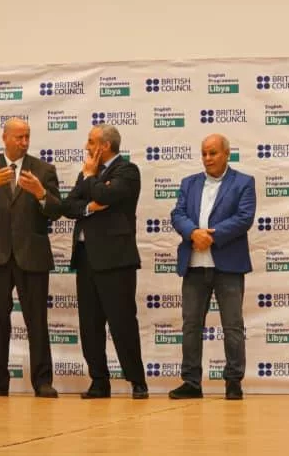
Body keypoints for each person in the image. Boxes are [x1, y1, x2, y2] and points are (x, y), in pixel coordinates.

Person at [0, 118, 64, 398]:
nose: (24, 142)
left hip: (31, 254)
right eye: (19, 137)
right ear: (5, 138)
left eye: (27, 137)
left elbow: (57, 210)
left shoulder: (43, 170)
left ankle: (42, 381)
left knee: (37, 321)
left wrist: (41, 193)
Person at [62, 123, 148, 400]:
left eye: (91, 142)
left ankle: (137, 381)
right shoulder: (89, 172)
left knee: (122, 323)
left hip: (116, 260)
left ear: (105, 146)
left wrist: (91, 180)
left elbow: (106, 195)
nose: (86, 147)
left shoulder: (127, 171)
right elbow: (69, 206)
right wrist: (89, 206)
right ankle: (99, 381)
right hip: (86, 258)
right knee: (90, 324)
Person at [167, 134, 255, 400]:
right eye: (204, 153)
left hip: (228, 266)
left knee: (232, 326)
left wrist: (211, 237)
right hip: (194, 265)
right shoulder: (189, 183)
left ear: (227, 153)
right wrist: (193, 233)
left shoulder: (243, 182)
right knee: (191, 326)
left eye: (213, 153)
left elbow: (244, 218)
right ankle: (191, 382)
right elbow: (177, 214)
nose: (207, 158)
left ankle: (233, 381)